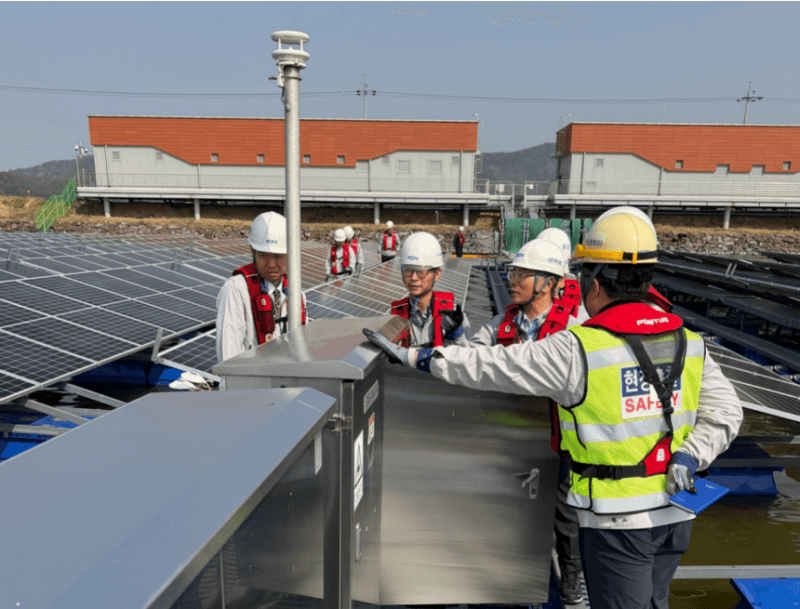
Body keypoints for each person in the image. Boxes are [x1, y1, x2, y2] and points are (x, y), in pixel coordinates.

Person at [364, 208, 743, 609]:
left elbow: (493, 365)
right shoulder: (689, 340)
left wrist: (416, 359)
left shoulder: (580, 346)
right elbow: (727, 412)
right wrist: (691, 454)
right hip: (675, 517)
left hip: (617, 519)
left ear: (592, 284)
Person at [469, 238, 584, 605]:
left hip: (562, 442)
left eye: (522, 273)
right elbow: (470, 357)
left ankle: (571, 583)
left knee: (567, 519)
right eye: (513, 272)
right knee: (509, 514)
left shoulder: (575, 327)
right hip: (513, 440)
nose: (512, 280)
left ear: (548, 283)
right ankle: (510, 582)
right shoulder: (499, 326)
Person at [216, 211, 306, 363]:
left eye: (278, 256)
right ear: (252, 251)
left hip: (289, 380)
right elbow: (228, 356)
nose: (271, 265)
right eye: (264, 255)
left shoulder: (296, 293)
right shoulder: (236, 290)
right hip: (253, 383)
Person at [391, 231, 471, 348]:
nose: (413, 278)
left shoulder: (454, 318)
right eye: (408, 270)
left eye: (421, 272)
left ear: (437, 274)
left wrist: (456, 334)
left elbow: (467, 360)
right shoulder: (394, 316)